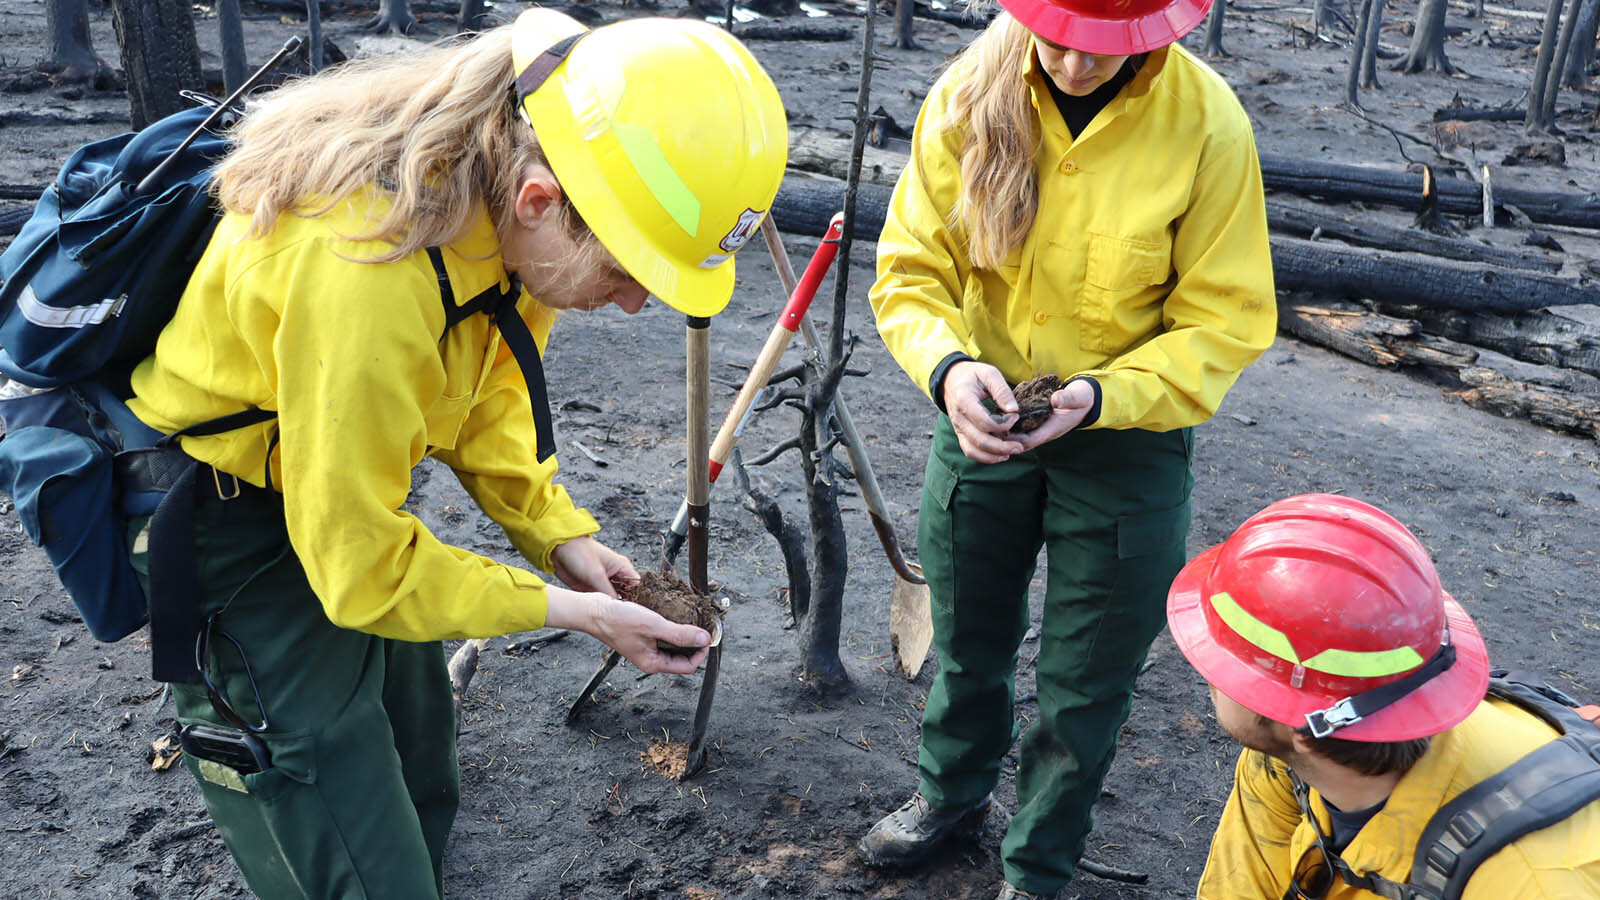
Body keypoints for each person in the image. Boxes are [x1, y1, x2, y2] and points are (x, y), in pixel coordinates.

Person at [120, 10, 786, 897]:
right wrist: (578, 614)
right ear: (542, 202)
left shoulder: (507, 195)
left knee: (418, 747)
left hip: (338, 491)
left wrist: (562, 542)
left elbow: (488, 399)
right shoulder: (366, 266)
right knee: (329, 791)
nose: (631, 306)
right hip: (227, 523)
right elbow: (362, 573)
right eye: (627, 274)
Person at [859, 0, 1278, 893]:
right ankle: (949, 796)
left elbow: (1224, 319)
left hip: (1129, 443)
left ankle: (1039, 864)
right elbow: (909, 270)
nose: (1076, 65)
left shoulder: (1208, 126)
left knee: (1087, 681)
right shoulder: (968, 95)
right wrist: (947, 372)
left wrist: (1099, 396)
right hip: (986, 421)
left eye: (1102, 47)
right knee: (968, 638)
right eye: (1057, 39)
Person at [1167, 493, 1600, 899]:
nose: (1209, 674)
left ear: (1302, 728)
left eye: (1236, 672)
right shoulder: (1285, 765)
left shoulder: (1527, 883)